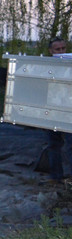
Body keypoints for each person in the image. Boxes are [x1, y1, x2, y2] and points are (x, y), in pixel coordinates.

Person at [45, 36, 71, 183]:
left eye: (63, 49)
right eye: (57, 49)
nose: (61, 52)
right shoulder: (45, 66)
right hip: (53, 109)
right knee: (53, 145)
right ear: (51, 51)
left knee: (71, 145)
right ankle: (56, 178)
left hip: (69, 110)